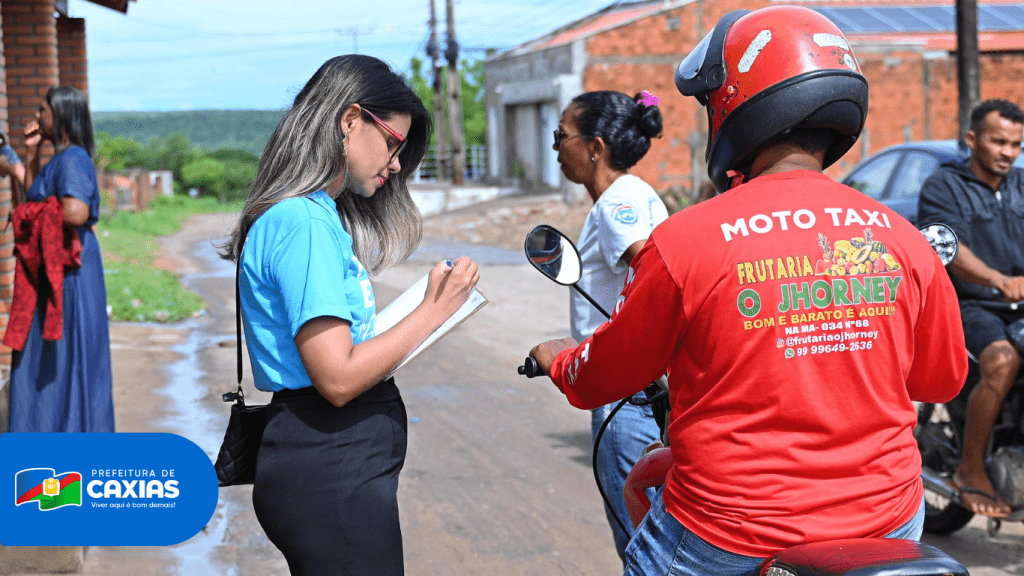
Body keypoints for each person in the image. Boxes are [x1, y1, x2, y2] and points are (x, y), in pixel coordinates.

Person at [528, 7, 967, 575]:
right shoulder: (901, 237)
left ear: (735, 107)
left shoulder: (685, 240)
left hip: (732, 529)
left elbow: (602, 377)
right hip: (886, 521)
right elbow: (940, 380)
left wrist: (561, 358)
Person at [220, 55, 480, 576]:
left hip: (331, 467)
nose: (396, 165)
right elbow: (337, 378)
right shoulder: (303, 222)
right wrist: (434, 311)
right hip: (329, 468)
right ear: (349, 121)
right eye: (393, 144)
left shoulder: (313, 215)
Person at [552, 89, 668, 563]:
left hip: (628, 394)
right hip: (637, 387)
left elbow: (654, 273)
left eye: (561, 136)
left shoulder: (619, 200)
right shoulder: (628, 195)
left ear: (595, 147)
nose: (556, 148)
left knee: (642, 546)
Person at [917, 99, 1024, 519]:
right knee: (1002, 360)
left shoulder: (1021, 185)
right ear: (972, 139)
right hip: (971, 304)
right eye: (999, 142)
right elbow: (947, 246)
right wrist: (998, 280)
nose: (1007, 152)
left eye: (1015, 145)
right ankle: (970, 467)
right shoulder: (943, 187)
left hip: (1020, 303)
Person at [4, 86, 114, 433]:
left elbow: (75, 212)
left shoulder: (73, 159)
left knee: (65, 356)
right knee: (51, 358)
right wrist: (31, 154)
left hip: (68, 272)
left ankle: (68, 436)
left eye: (43, 111)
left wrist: (27, 215)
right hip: (56, 269)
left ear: (62, 116)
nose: (37, 117)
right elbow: (36, 195)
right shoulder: (61, 159)